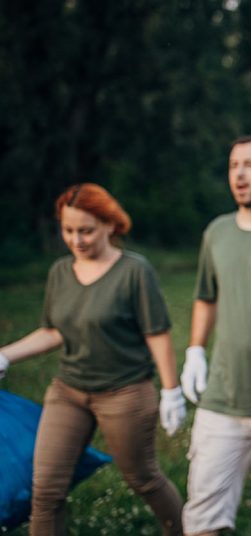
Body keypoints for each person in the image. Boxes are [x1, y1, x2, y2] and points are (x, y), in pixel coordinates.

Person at [0, 183, 186, 535]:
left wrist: (171, 390)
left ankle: (182, 531)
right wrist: (5, 355)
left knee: (144, 479)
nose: (76, 240)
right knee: (46, 491)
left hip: (124, 394)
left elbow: (156, 334)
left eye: (86, 230)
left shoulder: (134, 271)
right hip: (68, 392)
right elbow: (53, 331)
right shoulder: (59, 272)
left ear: (109, 225)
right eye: (68, 231)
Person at [178, 136, 251, 536]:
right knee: (201, 518)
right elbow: (205, 297)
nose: (239, 174)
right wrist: (195, 350)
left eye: (250, 164)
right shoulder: (217, 232)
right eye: (233, 165)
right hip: (223, 397)